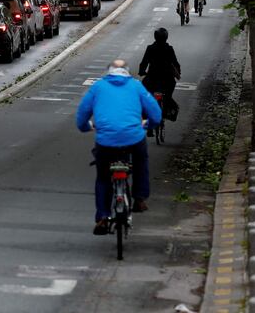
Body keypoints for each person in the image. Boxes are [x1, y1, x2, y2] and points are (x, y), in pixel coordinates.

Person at [76, 60, 162, 235]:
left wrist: (86, 127)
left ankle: (102, 216)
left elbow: (82, 115)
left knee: (103, 177)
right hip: (133, 138)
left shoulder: (98, 87)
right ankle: (139, 198)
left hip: (105, 141)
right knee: (140, 163)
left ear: (109, 72)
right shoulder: (136, 86)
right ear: (127, 72)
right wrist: (147, 125)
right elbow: (155, 114)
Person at [138, 28, 181, 135]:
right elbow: (176, 63)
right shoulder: (169, 49)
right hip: (167, 79)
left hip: (152, 79)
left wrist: (142, 71)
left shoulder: (150, 48)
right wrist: (178, 72)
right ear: (166, 37)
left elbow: (144, 63)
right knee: (168, 95)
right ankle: (166, 109)